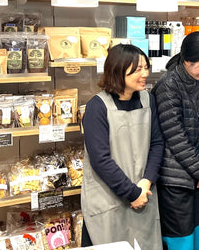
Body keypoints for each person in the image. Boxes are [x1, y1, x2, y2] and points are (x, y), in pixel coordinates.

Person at [81, 44, 164, 249]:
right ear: (118, 71)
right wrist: (132, 193)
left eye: (146, 67)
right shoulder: (97, 107)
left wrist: (147, 181)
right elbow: (101, 160)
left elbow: (157, 143)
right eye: (137, 69)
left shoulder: (148, 100)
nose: (145, 74)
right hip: (109, 199)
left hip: (144, 193)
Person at [152, 31, 199, 250]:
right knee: (181, 241)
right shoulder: (168, 85)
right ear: (188, 60)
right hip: (176, 179)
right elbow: (175, 138)